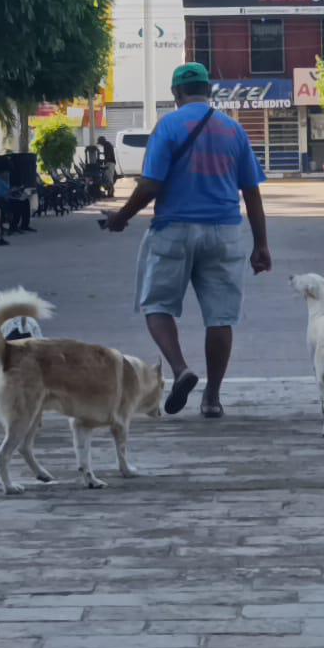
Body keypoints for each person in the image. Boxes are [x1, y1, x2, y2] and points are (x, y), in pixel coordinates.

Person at [104, 63, 270, 419]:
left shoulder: (168, 127)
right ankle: (212, 398)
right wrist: (261, 245)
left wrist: (121, 217)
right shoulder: (233, 130)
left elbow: (150, 184)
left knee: (157, 305)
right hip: (224, 232)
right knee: (220, 317)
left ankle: (181, 370)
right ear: (208, 90)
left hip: (174, 230)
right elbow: (252, 192)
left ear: (176, 94)